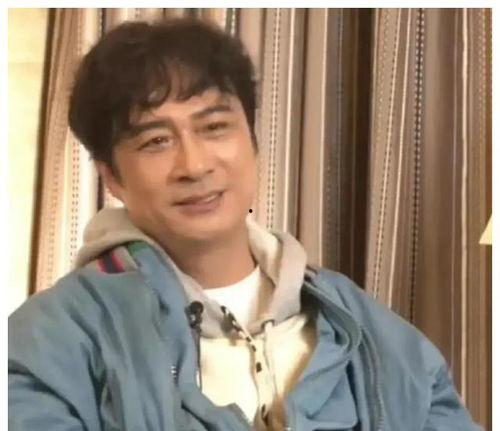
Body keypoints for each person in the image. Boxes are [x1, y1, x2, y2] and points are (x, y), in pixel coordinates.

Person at [8, 17, 482, 431]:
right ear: (111, 177)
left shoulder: (371, 332)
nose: (194, 165)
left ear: (253, 141)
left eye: (214, 127)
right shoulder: (49, 341)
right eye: (155, 141)